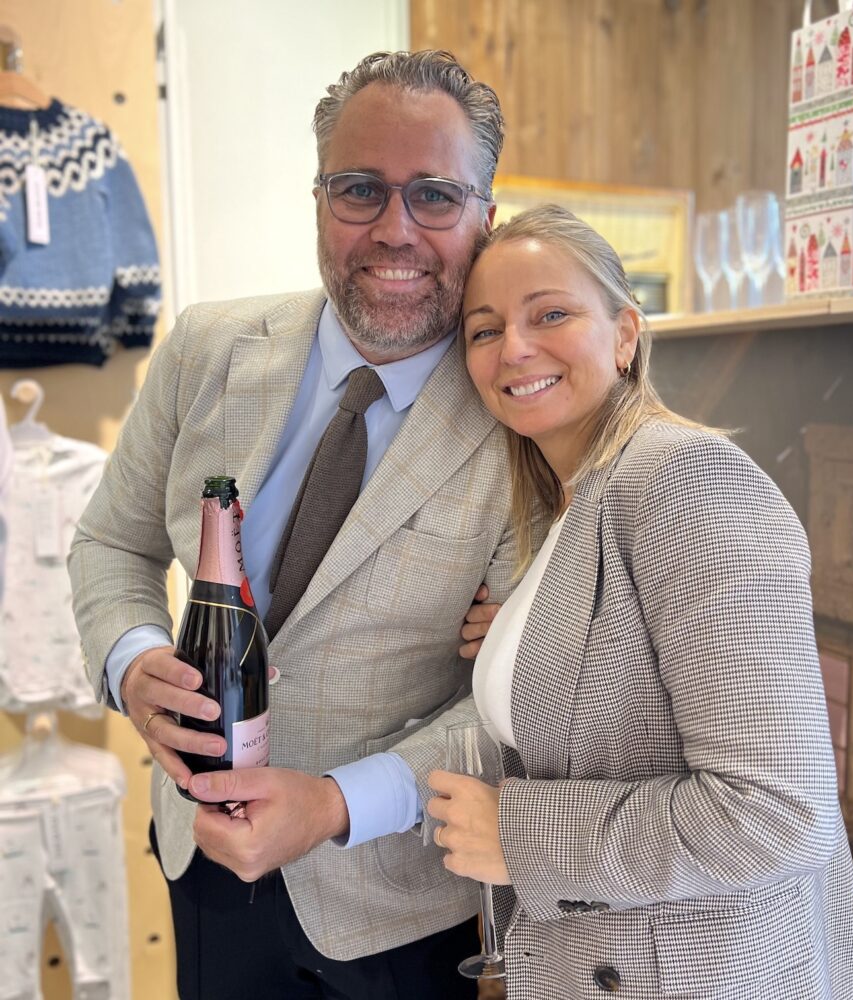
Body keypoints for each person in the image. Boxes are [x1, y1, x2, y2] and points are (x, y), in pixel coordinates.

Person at [69, 51, 511, 1000]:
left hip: (394, 901)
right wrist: (133, 662)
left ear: (487, 215)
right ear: (318, 200)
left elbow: (517, 704)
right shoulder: (204, 349)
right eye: (360, 189)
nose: (394, 229)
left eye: (435, 195)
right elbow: (112, 542)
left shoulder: (521, 416)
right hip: (200, 854)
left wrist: (335, 803)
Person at [427, 205, 853, 999]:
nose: (515, 348)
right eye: (485, 329)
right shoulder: (572, 503)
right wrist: (526, 644)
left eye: (551, 314)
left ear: (626, 335)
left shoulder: (685, 478)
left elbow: (777, 813)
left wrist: (520, 838)